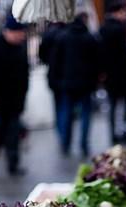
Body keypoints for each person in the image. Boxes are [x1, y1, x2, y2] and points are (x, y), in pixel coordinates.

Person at [0, 13, 30, 176]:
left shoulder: (21, 47)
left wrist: (23, 98)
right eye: (18, 33)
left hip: (15, 100)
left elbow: (24, 74)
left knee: (13, 135)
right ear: (8, 31)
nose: (21, 36)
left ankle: (13, 165)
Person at [50, 13, 100, 156]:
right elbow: (97, 61)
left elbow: (56, 62)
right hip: (86, 84)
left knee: (66, 113)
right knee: (85, 115)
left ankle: (65, 143)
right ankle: (83, 144)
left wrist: (56, 81)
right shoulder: (89, 38)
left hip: (67, 84)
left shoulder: (62, 37)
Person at [99, 3, 126, 144]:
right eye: (124, 13)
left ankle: (112, 134)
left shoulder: (103, 28)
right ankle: (124, 131)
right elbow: (124, 54)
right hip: (122, 73)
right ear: (117, 13)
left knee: (112, 105)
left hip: (109, 75)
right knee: (125, 104)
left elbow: (99, 53)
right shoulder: (120, 29)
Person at [39, 22, 66, 139]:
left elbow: (41, 54)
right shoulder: (65, 33)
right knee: (65, 105)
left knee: (58, 103)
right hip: (65, 74)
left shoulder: (47, 34)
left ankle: (60, 130)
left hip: (54, 74)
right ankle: (64, 131)